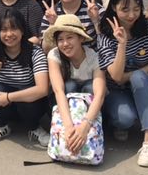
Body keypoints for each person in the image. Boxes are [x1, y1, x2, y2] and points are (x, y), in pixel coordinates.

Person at [97, 0, 148, 167]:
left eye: (136, 8)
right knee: (124, 119)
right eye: (125, 9)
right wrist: (122, 44)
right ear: (113, 7)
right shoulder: (105, 35)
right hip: (117, 91)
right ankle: (136, 114)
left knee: (138, 77)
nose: (132, 15)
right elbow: (116, 76)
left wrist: (132, 76)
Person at [0, 9, 50, 146]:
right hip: (6, 106)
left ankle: (35, 128)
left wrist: (9, 97)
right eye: (4, 30)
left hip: (30, 106)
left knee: (28, 94)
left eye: (14, 28)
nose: (9, 34)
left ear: (22, 30)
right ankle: (2, 126)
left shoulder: (35, 52)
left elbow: (42, 89)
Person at [45, 15, 106, 156]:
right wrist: (68, 127)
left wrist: (84, 126)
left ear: (81, 38)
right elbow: (58, 91)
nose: (65, 43)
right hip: (64, 104)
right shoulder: (54, 55)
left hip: (88, 106)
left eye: (70, 37)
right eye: (60, 39)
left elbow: (100, 94)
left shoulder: (94, 57)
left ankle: (92, 131)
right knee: (70, 86)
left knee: (90, 88)